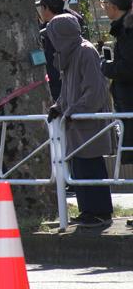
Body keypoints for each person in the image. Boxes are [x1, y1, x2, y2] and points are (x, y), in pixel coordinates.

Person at [46, 14, 114, 228]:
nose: (51, 40)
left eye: (53, 35)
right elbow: (68, 92)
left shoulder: (85, 52)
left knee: (91, 166)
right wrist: (58, 107)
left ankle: (101, 213)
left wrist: (74, 111)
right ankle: (88, 211)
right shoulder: (69, 55)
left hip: (88, 121)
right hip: (76, 122)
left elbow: (95, 91)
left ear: (62, 35)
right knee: (80, 168)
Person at [100, 0, 133, 167]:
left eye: (104, 3)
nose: (104, 8)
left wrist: (105, 67)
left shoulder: (128, 31)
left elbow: (128, 69)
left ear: (113, 6)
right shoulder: (125, 29)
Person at [36, 0, 85, 101]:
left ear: (46, 8)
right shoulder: (71, 24)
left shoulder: (59, 30)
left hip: (62, 81)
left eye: (42, 8)